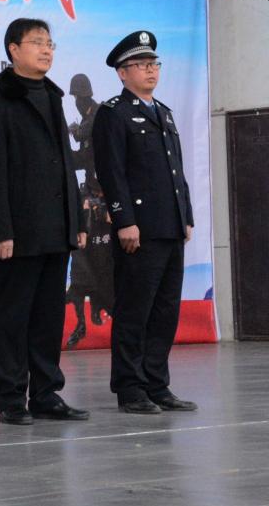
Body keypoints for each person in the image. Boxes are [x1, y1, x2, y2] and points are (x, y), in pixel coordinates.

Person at [0, 18, 88, 426]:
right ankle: (10, 398)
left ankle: (46, 393)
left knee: (48, 316)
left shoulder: (53, 98)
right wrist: (0, 230)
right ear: (13, 49)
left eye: (50, 43)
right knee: (13, 316)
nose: (46, 50)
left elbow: (66, 167)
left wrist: (76, 220)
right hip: (18, 233)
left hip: (55, 228)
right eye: (37, 42)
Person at [91, 31, 197, 414]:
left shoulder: (163, 113)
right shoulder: (114, 113)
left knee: (165, 310)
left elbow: (175, 171)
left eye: (154, 64)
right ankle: (130, 387)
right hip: (139, 229)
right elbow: (112, 171)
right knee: (135, 309)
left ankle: (157, 383)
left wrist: (186, 215)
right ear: (122, 73)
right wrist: (124, 220)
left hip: (170, 226)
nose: (151, 70)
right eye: (141, 65)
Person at [65, 73, 115, 349]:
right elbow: (83, 158)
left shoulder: (97, 116)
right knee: (81, 259)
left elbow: (91, 154)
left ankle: (101, 308)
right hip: (91, 197)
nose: (77, 101)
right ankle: (83, 319)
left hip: (106, 198)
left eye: (79, 97)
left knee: (104, 263)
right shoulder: (87, 118)